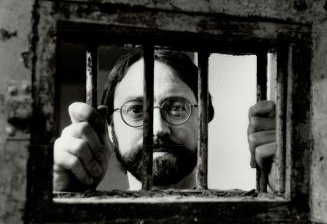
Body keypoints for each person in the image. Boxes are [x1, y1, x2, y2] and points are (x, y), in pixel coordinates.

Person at [53, 49, 276, 192]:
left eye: (177, 108)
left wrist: (290, 191)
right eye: (136, 110)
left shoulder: (248, 212)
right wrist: (61, 201)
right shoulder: (85, 219)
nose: (158, 128)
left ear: (204, 117)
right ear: (109, 128)